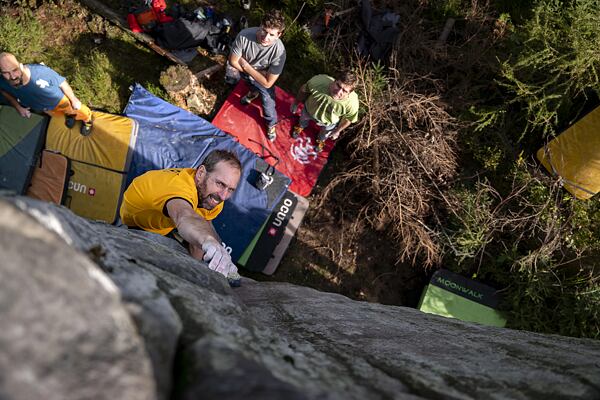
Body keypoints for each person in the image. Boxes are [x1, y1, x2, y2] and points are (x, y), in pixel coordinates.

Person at [119, 150, 242, 277]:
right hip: (135, 224)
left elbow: (202, 226)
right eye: (220, 184)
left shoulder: (212, 197)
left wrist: (194, 273)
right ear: (201, 173)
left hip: (163, 225)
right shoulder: (179, 186)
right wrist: (208, 240)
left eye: (230, 189)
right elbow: (184, 215)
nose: (223, 196)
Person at [226, 9, 286, 142]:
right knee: (249, 83)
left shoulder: (279, 52)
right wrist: (256, 74)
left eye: (271, 34)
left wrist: (247, 66)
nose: (266, 37)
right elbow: (233, 61)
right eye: (264, 30)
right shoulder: (244, 36)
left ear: (279, 35)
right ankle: (253, 93)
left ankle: (271, 124)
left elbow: (268, 83)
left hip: (250, 71)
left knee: (268, 104)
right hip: (249, 73)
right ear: (260, 25)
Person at [0, 52, 94, 135]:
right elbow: (4, 91)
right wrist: (18, 107)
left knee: (78, 111)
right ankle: (70, 116)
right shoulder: (3, 81)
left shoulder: (41, 72)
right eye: (6, 73)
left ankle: (87, 120)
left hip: (59, 101)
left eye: (14, 70)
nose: (12, 77)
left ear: (20, 66)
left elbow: (62, 83)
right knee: (60, 115)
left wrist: (73, 99)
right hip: (44, 109)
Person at [290, 70, 360, 152]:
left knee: (325, 134)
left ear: (349, 93)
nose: (338, 92)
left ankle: (321, 141)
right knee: (302, 120)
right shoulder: (319, 81)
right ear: (334, 80)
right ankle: (300, 127)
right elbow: (304, 89)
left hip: (329, 122)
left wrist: (337, 131)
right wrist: (295, 103)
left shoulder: (352, 104)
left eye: (344, 91)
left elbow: (349, 119)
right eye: (338, 85)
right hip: (309, 110)